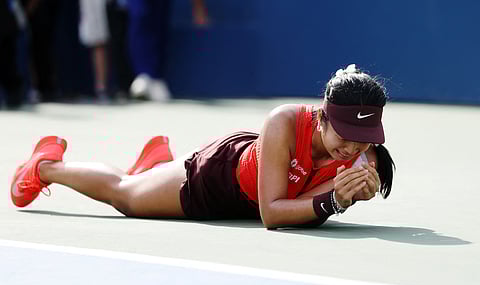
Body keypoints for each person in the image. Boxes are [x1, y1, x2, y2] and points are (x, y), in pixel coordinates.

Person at [10, 64, 395, 229]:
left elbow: (309, 204)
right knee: (125, 196)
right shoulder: (285, 121)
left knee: (136, 187)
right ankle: (45, 166)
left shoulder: (364, 159)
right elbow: (274, 215)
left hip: (251, 200)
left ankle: (155, 167)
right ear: (323, 118)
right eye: (343, 133)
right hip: (216, 180)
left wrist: (346, 197)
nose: (351, 146)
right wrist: (333, 202)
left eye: (362, 137)